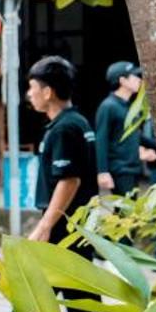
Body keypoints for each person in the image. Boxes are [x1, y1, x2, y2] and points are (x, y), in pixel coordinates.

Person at [26, 55, 98, 246]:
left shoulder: (64, 128)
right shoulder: (78, 121)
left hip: (66, 223)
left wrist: (44, 227)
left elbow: (69, 181)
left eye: (32, 88)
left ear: (48, 92)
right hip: (77, 221)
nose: (29, 94)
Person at [93, 61, 156, 196]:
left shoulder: (129, 106)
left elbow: (135, 134)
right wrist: (103, 172)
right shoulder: (108, 106)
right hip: (120, 168)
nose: (139, 80)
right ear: (122, 80)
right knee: (125, 212)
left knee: (129, 211)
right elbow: (101, 139)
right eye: (135, 76)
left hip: (133, 167)